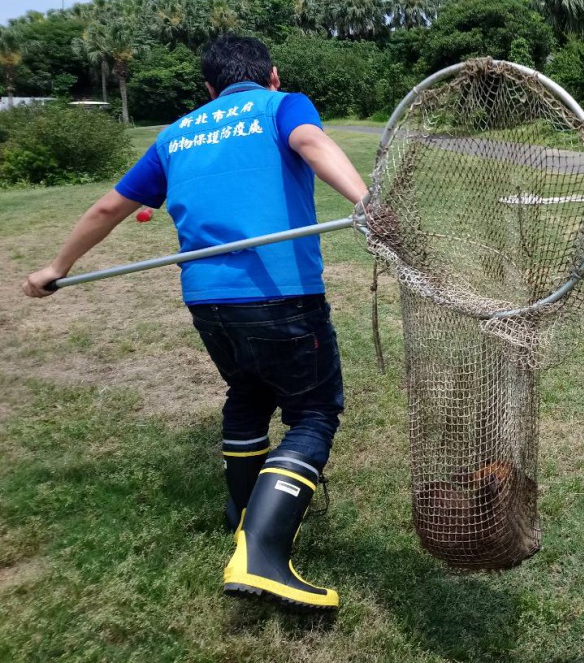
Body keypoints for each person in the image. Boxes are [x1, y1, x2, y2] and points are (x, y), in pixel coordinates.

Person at [23, 34, 368, 612]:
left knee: (249, 392)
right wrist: (367, 203)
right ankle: (261, 552)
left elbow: (109, 206)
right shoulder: (281, 106)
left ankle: (242, 512)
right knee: (313, 412)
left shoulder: (176, 132)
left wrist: (57, 267)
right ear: (273, 75)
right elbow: (309, 141)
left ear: (208, 88)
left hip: (207, 301)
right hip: (281, 296)